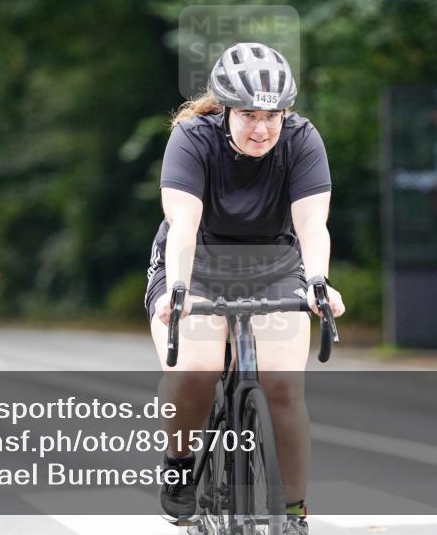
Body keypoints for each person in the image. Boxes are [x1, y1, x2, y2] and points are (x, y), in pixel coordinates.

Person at [144, 43, 346, 534]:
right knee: (196, 370)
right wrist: (179, 290)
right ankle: (181, 461)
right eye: (250, 115)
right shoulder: (192, 138)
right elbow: (183, 224)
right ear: (227, 110)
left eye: (273, 116)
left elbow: (312, 225)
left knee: (282, 385)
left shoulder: (302, 141)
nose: (262, 128)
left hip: (275, 265)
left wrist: (318, 280)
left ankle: (294, 512)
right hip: (197, 266)